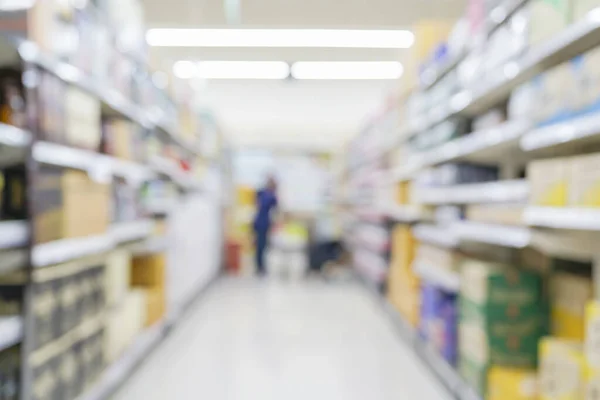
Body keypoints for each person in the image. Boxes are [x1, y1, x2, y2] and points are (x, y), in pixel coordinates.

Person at [252, 176, 278, 275]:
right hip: (262, 223)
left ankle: (260, 267)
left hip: (261, 223)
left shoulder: (262, 193)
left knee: (260, 247)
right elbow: (275, 211)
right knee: (260, 246)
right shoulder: (270, 196)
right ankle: (260, 267)